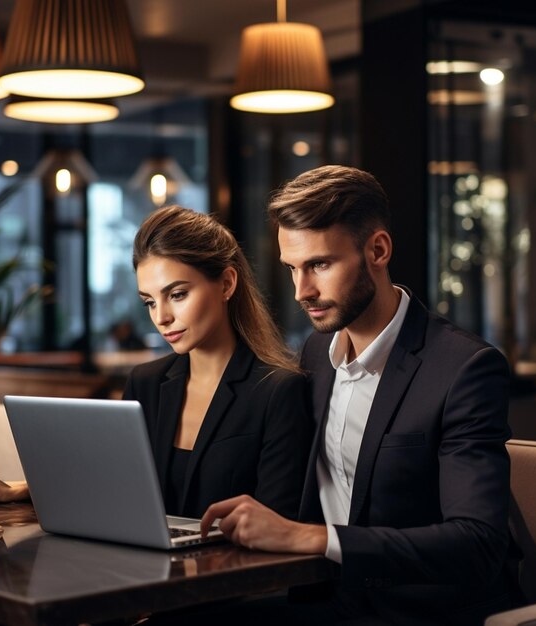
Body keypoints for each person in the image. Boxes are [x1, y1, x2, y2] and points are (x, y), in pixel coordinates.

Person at [200, 166, 518, 625]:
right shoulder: (313, 353)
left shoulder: (464, 369)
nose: (302, 291)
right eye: (292, 268)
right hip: (325, 599)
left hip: (418, 611)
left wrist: (311, 538)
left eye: (321, 265)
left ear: (378, 250)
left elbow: (478, 543)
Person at [122, 205, 312, 520]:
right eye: (149, 302)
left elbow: (279, 525)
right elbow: (118, 488)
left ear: (226, 284)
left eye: (178, 294)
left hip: (232, 567)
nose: (161, 317)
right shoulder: (144, 383)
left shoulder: (278, 392)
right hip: (139, 566)